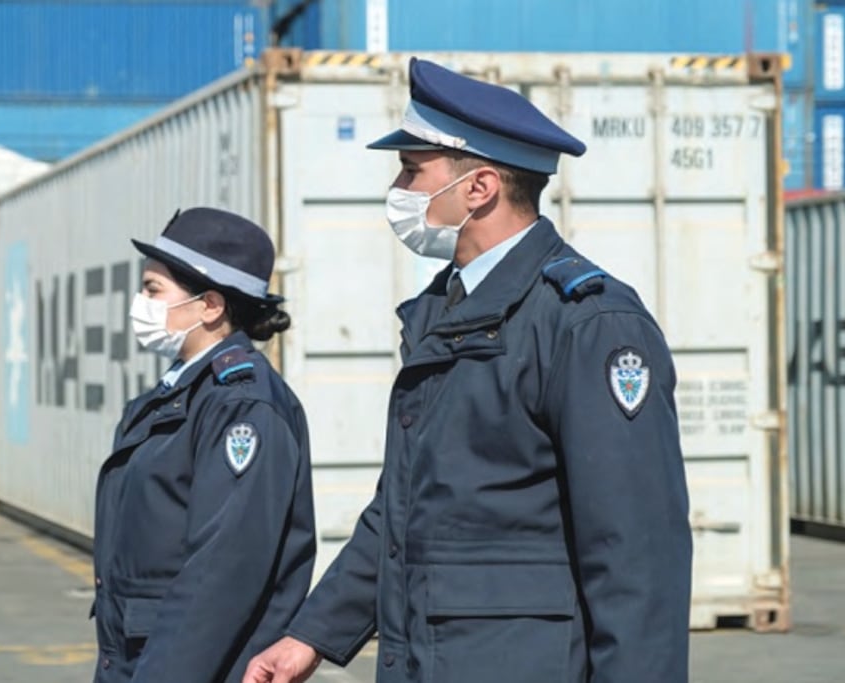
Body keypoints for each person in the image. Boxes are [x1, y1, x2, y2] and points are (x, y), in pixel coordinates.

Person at [244, 58, 691, 683]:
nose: (398, 190)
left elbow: (636, 555)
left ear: (478, 188)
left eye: (411, 171)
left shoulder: (587, 324)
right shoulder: (445, 311)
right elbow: (401, 515)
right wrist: (310, 636)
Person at [92, 207, 316, 683]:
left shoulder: (242, 405)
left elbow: (221, 571)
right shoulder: (180, 394)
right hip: (143, 658)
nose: (140, 303)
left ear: (211, 306)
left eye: (153, 290)